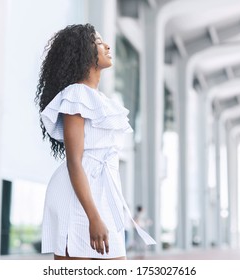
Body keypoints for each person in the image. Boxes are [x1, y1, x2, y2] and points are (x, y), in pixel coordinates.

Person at [35, 23, 155, 260]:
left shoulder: (99, 99)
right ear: (83, 53)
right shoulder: (76, 95)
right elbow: (75, 162)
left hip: (102, 196)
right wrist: (93, 216)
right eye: (99, 43)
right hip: (80, 200)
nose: (108, 46)